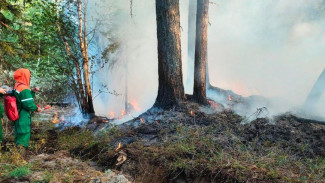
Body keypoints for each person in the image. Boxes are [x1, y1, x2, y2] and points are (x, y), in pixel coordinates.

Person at [13, 68, 41, 149]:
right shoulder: (24, 88)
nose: (30, 77)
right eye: (29, 75)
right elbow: (28, 104)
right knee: (24, 133)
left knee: (18, 132)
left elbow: (23, 98)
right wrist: (36, 108)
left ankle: (17, 153)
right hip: (23, 115)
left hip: (17, 113)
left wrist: (32, 92)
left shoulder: (17, 85)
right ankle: (21, 154)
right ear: (25, 76)